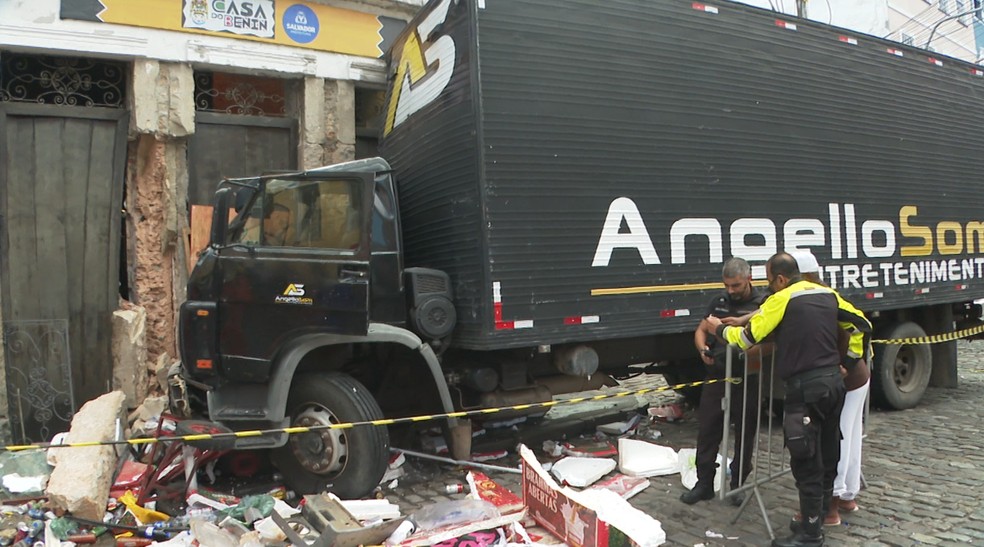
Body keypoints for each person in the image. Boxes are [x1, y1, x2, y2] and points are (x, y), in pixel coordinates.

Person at [702, 252, 871, 547]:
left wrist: (718, 328)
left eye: (769, 281)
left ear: (780, 278)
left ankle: (810, 535)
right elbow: (860, 324)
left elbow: (745, 338)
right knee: (828, 454)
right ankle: (815, 519)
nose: (769, 287)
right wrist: (850, 358)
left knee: (806, 460)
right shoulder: (827, 293)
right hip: (833, 385)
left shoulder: (782, 299)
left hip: (805, 389)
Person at [791, 251, 871, 526]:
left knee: (838, 441)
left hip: (845, 379)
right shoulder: (824, 296)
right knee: (849, 438)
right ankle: (847, 496)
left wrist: (846, 363)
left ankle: (831, 508)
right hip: (852, 377)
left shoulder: (818, 299)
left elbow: (859, 328)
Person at [681, 257, 769, 506]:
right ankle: (704, 483)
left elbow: (769, 343)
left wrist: (740, 353)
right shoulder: (718, 302)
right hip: (717, 375)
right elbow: (701, 329)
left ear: (749, 279)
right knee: (708, 429)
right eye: (727, 285)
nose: (731, 291)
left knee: (744, 432)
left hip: (746, 377)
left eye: (736, 286)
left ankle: (737, 485)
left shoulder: (762, 304)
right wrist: (702, 350)